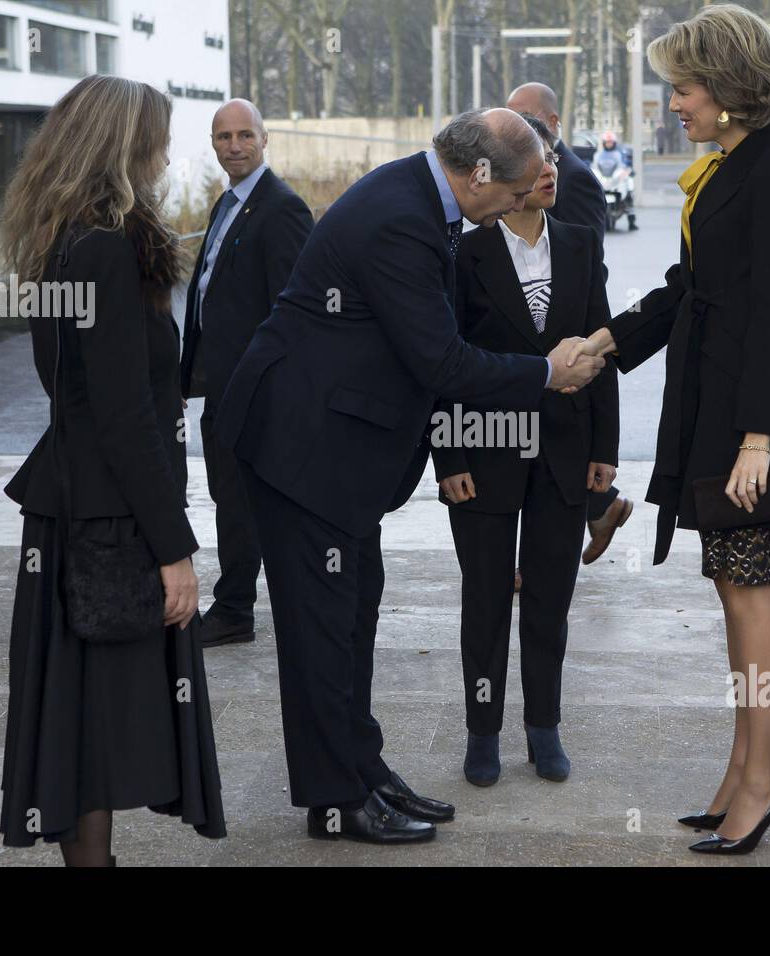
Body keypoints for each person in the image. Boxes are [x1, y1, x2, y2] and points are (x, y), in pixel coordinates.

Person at [214, 108, 606, 845]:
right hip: (301, 446)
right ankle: (336, 801)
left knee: (354, 610)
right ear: (479, 174)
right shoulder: (402, 218)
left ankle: (363, 772)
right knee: (323, 629)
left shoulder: (423, 201)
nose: (519, 203)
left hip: (336, 452)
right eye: (516, 191)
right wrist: (546, 372)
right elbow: (440, 359)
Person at [576, 4, 770, 856]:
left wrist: (758, 440)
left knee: (753, 590)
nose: (674, 106)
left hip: (757, 418)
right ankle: (742, 771)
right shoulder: (736, 164)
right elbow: (690, 287)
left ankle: (763, 783)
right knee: (733, 587)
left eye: (683, 90)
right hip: (724, 408)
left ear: (726, 90)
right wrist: (610, 340)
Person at [0, 75, 226, 865]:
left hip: (75, 508)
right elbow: (124, 417)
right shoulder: (106, 251)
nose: (166, 154)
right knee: (94, 726)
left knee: (79, 723)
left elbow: (82, 393)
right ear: (126, 148)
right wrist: (174, 547)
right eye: (157, 140)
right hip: (110, 523)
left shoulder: (65, 241)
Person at [434, 115, 619, 788]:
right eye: (535, 162)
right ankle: (483, 733)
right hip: (482, 452)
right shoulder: (463, 251)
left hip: (565, 450)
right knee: (484, 600)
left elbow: (604, 348)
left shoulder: (579, 243)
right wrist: (447, 456)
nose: (549, 172)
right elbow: (442, 360)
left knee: (549, 598)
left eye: (555, 161)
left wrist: (607, 449)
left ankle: (545, 730)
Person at [179, 99, 313, 649]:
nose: (233, 145)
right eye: (223, 137)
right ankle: (237, 603)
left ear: (264, 139)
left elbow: (296, 309)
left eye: (243, 136)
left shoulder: (280, 208)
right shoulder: (229, 204)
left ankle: (235, 609)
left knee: (242, 502)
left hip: (255, 392)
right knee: (228, 496)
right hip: (224, 385)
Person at [506, 82, 634, 568]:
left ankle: (593, 511)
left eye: (524, 117)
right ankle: (601, 508)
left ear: (553, 124)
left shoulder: (573, 180)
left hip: (565, 343)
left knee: (554, 453)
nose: (513, 126)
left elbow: (584, 260)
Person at [593, 130, 639, 231]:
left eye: (611, 142)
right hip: (603, 179)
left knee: (629, 187)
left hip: (616, 179)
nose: (609, 144)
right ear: (604, 143)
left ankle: (632, 221)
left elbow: (626, 164)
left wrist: (627, 170)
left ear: (614, 143)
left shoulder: (620, 153)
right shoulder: (598, 155)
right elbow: (594, 166)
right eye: (607, 142)